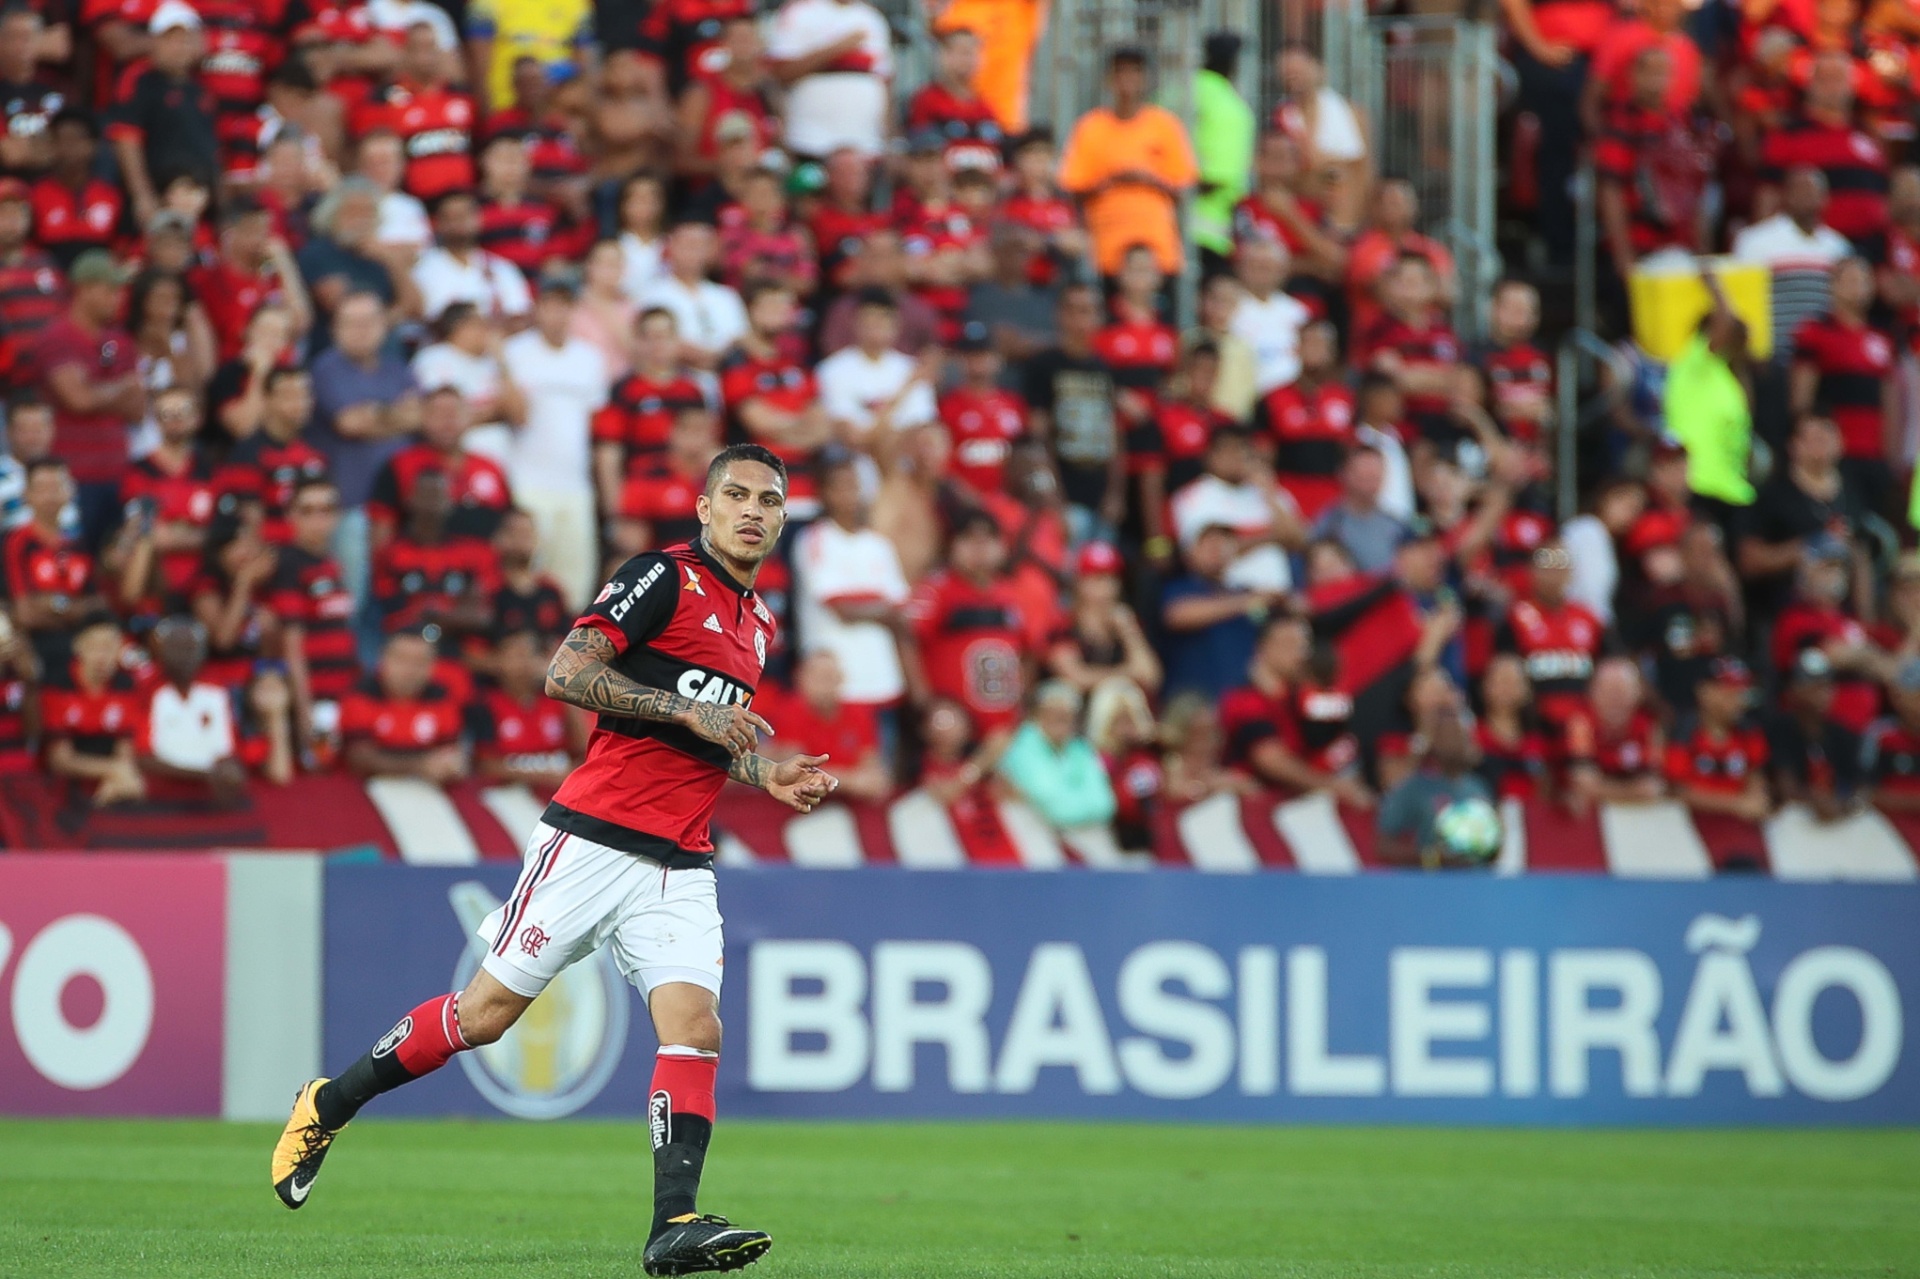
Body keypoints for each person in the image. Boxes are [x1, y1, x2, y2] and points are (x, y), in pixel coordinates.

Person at [273, 443, 834, 1279]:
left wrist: (765, 772)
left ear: (783, 518)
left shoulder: (760, 623)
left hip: (680, 857)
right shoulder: (662, 577)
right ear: (705, 507)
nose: (754, 509)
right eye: (737, 494)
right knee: (485, 1015)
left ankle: (672, 1224)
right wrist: (684, 708)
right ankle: (329, 1102)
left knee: (696, 1028)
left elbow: (706, 740)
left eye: (770, 499)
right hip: (594, 836)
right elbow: (565, 674)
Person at [501, 276, 608, 608]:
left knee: (575, 583)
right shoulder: (515, 352)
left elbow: (596, 425)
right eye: (550, 305)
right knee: (528, 577)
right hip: (527, 482)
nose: (558, 314)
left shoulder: (590, 359)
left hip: (575, 486)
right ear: (538, 309)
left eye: (565, 306)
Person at [1057, 46, 1197, 284]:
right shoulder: (1090, 127)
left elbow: (1182, 187)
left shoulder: (1165, 125)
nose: (1127, 80)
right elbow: (1073, 188)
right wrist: (1113, 179)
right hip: (1106, 250)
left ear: (1146, 79)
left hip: (1157, 252)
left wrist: (1147, 178)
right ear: (1108, 79)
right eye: (1121, 72)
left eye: (1135, 72)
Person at [766, 0, 892, 160]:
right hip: (809, 140)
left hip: (865, 141)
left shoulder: (872, 18)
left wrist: (889, 140)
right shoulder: (800, 12)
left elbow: (885, 81)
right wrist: (838, 48)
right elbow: (780, 73)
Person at [1376, 705, 1495, 868]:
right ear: (1432, 741)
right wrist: (1433, 859)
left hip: (1478, 883)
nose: (1452, 740)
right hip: (1434, 884)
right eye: (1445, 734)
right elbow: (1384, 845)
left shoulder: (1478, 786)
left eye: (1457, 733)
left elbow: (1493, 838)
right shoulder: (1413, 788)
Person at [996, 679, 1116, 833]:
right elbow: (1058, 811)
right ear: (1036, 714)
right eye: (1054, 713)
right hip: (1029, 833)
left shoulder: (1080, 748)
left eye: (1067, 715)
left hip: (1078, 834)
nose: (1061, 720)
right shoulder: (1020, 747)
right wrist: (1083, 806)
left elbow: (1105, 805)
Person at [1190, 32, 1256, 280]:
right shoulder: (1230, 106)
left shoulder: (1172, 91)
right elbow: (1219, 177)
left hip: (1163, 225)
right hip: (1207, 229)